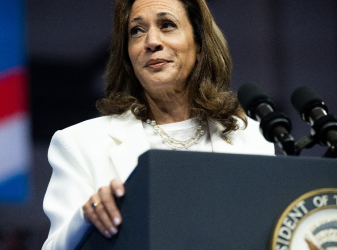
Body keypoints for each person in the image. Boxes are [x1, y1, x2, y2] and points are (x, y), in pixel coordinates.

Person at [42, 0, 275, 249]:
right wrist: (85, 218)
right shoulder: (79, 144)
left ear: (199, 42)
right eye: (137, 31)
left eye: (167, 25)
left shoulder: (251, 136)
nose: (151, 41)